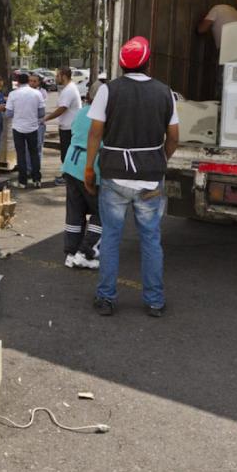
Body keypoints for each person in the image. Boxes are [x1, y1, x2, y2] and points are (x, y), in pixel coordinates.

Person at [84, 36, 179, 318]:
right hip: (150, 177)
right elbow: (174, 138)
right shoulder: (165, 92)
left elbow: (95, 132)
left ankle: (106, 298)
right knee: (150, 238)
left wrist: (89, 167)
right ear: (148, 63)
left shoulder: (107, 90)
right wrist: (160, 159)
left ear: (121, 64)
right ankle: (154, 301)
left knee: (111, 238)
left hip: (115, 176)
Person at [61, 81, 103, 270]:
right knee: (102, 211)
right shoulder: (105, 115)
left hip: (71, 164)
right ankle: (87, 252)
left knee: (75, 211)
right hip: (91, 165)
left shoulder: (81, 112)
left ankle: (71, 252)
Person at [43, 67, 83, 186]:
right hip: (68, 126)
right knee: (66, 153)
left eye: (57, 76)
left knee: (67, 154)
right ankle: (67, 176)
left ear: (64, 76)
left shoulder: (69, 90)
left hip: (69, 127)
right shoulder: (69, 88)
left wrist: (46, 118)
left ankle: (67, 178)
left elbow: (62, 108)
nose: (56, 78)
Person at [6, 73, 44, 189]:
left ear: (17, 82)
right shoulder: (37, 93)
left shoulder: (13, 94)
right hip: (33, 127)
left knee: (21, 155)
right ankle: (37, 179)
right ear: (28, 81)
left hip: (18, 128)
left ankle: (22, 182)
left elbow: (9, 113)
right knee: (34, 154)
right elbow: (42, 113)